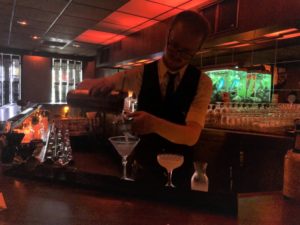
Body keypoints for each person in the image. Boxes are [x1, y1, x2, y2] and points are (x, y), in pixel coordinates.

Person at [77, 10, 213, 188]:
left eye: (186, 52)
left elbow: (191, 135)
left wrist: (154, 124)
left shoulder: (202, 83)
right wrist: (100, 85)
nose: (177, 54)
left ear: (197, 50)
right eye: (173, 45)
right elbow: (95, 84)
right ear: (168, 34)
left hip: (180, 176)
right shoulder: (142, 73)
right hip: (144, 171)